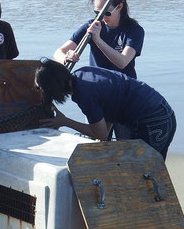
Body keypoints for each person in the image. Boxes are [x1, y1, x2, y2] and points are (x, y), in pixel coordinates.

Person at [54, 0, 145, 140]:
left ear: (120, 7)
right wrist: (66, 57)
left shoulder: (134, 30)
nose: (101, 18)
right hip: (97, 96)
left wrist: (98, 40)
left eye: (106, 12)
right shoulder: (92, 25)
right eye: (97, 12)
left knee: (126, 147)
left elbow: (122, 62)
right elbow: (58, 52)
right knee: (97, 145)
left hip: (124, 96)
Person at [35, 59, 175, 160]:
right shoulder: (83, 73)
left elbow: (101, 134)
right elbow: (110, 108)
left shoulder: (84, 94)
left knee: (141, 172)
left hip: (151, 120)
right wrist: (101, 138)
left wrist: (65, 122)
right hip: (164, 112)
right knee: (154, 171)